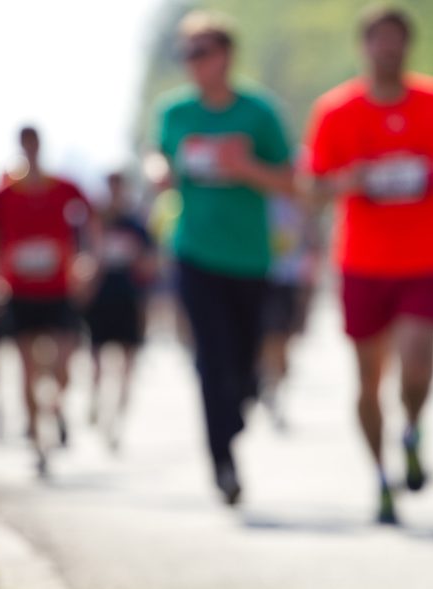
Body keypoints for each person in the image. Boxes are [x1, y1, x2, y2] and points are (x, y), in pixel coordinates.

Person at [302, 5, 433, 524]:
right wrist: (348, 182)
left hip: (424, 255)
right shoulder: (335, 110)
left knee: (417, 364)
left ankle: (413, 428)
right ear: (364, 47)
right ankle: (380, 476)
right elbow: (311, 189)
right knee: (368, 380)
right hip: (361, 261)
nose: (387, 49)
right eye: (378, 40)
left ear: (407, 47)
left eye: (396, 40)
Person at [153, 10, 294, 505]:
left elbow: (291, 181)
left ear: (226, 56)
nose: (192, 62)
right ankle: (222, 462)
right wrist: (157, 171)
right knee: (211, 358)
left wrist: (246, 167)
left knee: (245, 361)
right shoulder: (175, 114)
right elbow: (160, 158)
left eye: (202, 51)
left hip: (251, 256)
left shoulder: (258, 113)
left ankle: (239, 408)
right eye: (186, 53)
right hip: (194, 252)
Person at [0, 126, 101, 475]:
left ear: (41, 146)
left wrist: (89, 261)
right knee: (27, 367)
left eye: (35, 144)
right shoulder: (2, 195)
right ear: (20, 146)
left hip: (59, 290)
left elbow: (93, 223)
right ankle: (37, 444)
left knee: (63, 367)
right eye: (25, 144)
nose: (30, 150)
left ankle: (53, 408)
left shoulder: (64, 188)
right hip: (19, 293)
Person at [83, 172, 156, 452]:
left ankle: (118, 423)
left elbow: (151, 263)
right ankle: (96, 402)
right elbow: (83, 257)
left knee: (128, 364)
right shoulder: (95, 223)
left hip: (129, 298)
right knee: (97, 360)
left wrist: (137, 258)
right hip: (100, 300)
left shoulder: (136, 225)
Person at [259, 194, 321, 430]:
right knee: (265, 337)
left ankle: (273, 387)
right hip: (258, 275)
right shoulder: (256, 194)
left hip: (290, 279)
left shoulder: (298, 197)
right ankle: (265, 382)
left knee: (282, 339)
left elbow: (312, 237)